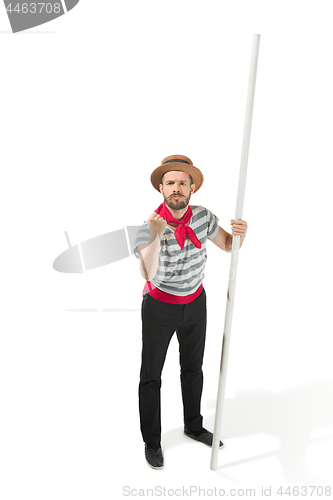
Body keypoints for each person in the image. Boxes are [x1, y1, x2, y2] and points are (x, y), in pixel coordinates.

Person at [134, 155, 248, 469]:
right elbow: (148, 271)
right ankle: (152, 442)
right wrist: (156, 234)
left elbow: (228, 246)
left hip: (196, 304)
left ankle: (193, 426)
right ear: (161, 187)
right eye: (170, 182)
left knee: (193, 369)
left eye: (183, 182)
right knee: (151, 377)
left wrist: (240, 234)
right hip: (160, 307)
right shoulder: (148, 226)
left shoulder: (203, 217)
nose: (176, 188)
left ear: (192, 188)